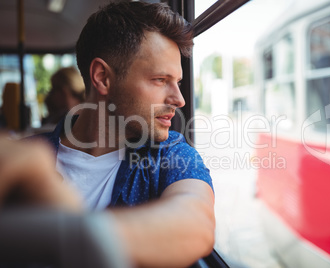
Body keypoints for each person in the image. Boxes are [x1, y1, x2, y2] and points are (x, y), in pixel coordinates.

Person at [1, 1, 215, 267]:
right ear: (102, 77)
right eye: (160, 80)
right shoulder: (24, 159)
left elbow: (196, 223)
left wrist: (74, 232)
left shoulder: (170, 154)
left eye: (178, 82)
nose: (179, 99)